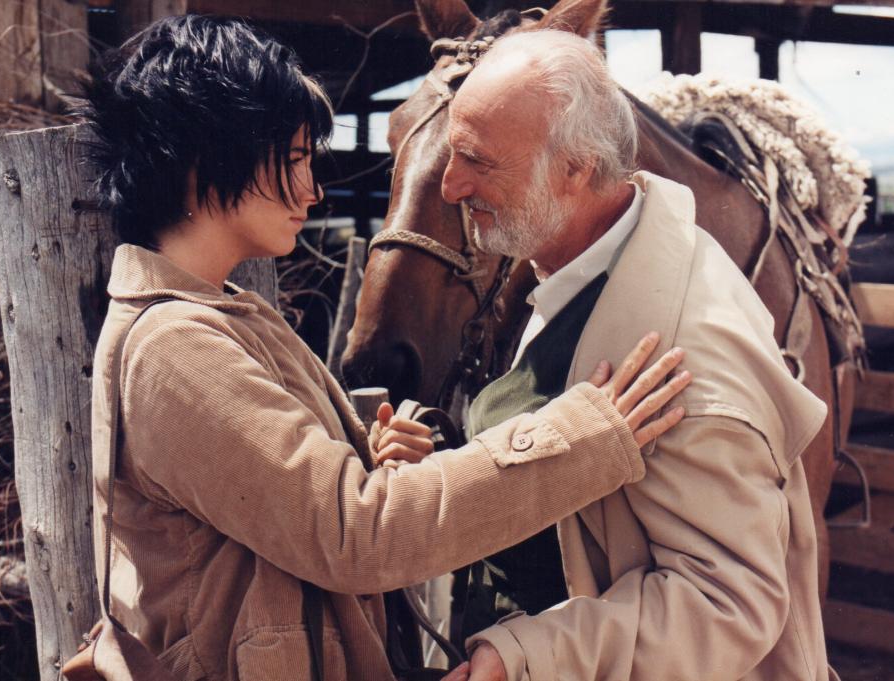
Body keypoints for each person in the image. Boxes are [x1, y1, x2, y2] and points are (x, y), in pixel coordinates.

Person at [79, 15, 692, 681]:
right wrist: (583, 435)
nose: (314, 191)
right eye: (292, 161)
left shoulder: (220, 315)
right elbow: (355, 535)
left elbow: (268, 517)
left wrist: (363, 460)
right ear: (205, 158)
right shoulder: (175, 346)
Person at [437, 30, 831, 681]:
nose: (452, 185)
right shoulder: (584, 272)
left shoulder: (687, 356)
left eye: (479, 161)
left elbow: (728, 603)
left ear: (577, 168)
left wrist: (529, 656)